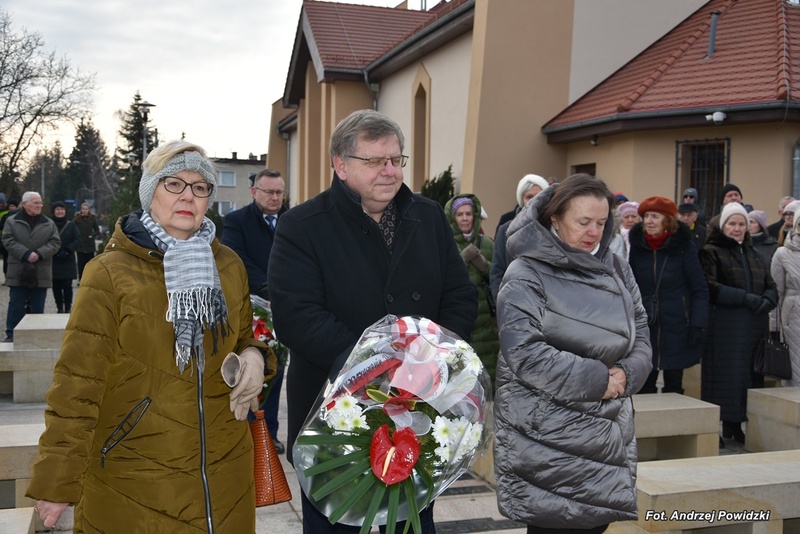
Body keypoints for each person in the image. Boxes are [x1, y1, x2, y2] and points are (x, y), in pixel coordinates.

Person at [26, 140, 277, 532]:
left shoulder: (228, 265)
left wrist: (255, 356)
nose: (188, 196)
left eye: (200, 186)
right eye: (173, 184)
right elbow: (77, 385)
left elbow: (244, 336)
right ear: (150, 192)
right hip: (135, 474)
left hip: (225, 471)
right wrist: (57, 480)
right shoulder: (109, 273)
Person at [268, 109, 476, 534]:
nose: (389, 171)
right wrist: (379, 369)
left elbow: (460, 294)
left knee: (411, 525)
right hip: (334, 413)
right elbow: (297, 316)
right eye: (375, 161)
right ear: (340, 165)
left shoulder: (428, 215)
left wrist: (433, 360)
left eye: (396, 160)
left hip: (418, 406)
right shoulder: (302, 226)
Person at [494, 173, 652, 533]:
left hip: (606, 427)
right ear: (555, 218)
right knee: (557, 523)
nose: (594, 232)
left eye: (600, 222)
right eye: (583, 222)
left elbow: (640, 327)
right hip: (548, 432)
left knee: (595, 524)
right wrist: (599, 380)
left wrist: (629, 372)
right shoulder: (526, 272)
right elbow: (525, 352)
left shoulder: (616, 267)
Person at [222, 168, 288, 454]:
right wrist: (268, 288)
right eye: (269, 192)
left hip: (284, 309)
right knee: (251, 370)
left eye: (279, 193)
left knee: (277, 370)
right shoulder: (237, 221)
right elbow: (236, 258)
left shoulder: (292, 220)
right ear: (254, 192)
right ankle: (244, 433)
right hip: (252, 309)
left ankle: (268, 433)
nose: (275, 198)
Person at [700, 202, 777, 445]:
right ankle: (718, 425)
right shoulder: (711, 251)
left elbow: (770, 285)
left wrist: (768, 300)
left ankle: (735, 424)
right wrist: (744, 298)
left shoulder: (755, 253)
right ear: (723, 226)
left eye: (741, 224)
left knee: (747, 376)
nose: (737, 228)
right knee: (724, 376)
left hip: (754, 325)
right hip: (726, 325)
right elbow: (710, 286)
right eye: (732, 223)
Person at [627, 196, 708, 394]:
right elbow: (630, 287)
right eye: (646, 216)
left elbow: (699, 288)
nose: (649, 221)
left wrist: (698, 323)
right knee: (645, 382)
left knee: (674, 384)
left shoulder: (683, 247)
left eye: (655, 216)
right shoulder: (638, 248)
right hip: (646, 323)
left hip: (678, 323)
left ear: (668, 220)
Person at [445, 194, 500, 386]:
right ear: (452, 218)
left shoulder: (486, 243)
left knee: (489, 369)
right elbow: (441, 276)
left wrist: (483, 264)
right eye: (459, 214)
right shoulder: (446, 243)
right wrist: (462, 259)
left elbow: (500, 278)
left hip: (486, 321)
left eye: (468, 213)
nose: (465, 218)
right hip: (459, 319)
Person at [1, 192, 60, 342]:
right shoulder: (11, 221)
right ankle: (12, 334)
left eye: (40, 203)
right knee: (16, 304)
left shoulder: (49, 223)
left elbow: (55, 243)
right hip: (18, 269)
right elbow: (7, 240)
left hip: (40, 270)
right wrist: (26, 253)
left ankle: (36, 335)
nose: (39, 205)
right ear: (25, 204)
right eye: (35, 203)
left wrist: (39, 254)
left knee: (38, 305)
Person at [491, 175, 550, 299]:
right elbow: (497, 272)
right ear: (521, 199)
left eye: (538, 195)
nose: (534, 200)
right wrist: (501, 302)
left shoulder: (554, 229)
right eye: (529, 196)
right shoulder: (505, 230)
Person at [770, 211, 800, 387]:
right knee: (795, 369)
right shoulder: (782, 253)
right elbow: (777, 292)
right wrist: (773, 327)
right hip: (793, 316)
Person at [50, 201, 80, 313]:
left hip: (68, 259)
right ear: (53, 211)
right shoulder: (49, 224)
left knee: (67, 285)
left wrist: (68, 250)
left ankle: (68, 307)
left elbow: (77, 239)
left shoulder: (71, 225)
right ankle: (59, 307)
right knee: (56, 285)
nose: (60, 211)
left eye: (62, 209)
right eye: (57, 209)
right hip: (54, 258)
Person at [73, 202, 100, 281]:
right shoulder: (77, 219)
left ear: (89, 210)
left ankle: (89, 279)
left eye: (86, 209)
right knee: (81, 264)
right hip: (80, 245)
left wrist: (93, 235)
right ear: (81, 210)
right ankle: (81, 279)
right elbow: (72, 228)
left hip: (89, 244)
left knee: (89, 263)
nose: (85, 211)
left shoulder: (92, 218)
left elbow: (97, 229)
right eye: (83, 209)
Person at [0, 196, 19, 284]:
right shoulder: (5, 215)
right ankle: (7, 277)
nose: (11, 208)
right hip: (4, 240)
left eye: (13, 206)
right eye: (10, 206)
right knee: (6, 259)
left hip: (15, 240)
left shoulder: (18, 215)